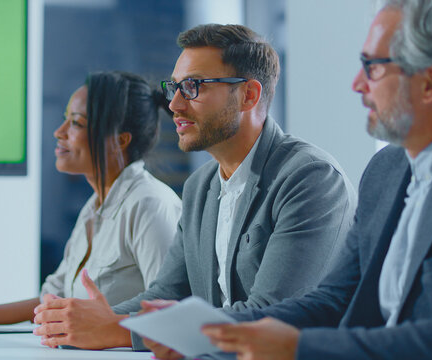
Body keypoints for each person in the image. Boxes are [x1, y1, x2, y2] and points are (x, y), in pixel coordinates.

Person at [201, 1, 432, 359]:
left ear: (431, 83)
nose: (357, 85)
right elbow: (335, 299)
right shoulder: (386, 170)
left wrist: (299, 348)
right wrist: (214, 334)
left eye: (372, 68)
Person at [32, 24, 356, 351]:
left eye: (192, 86)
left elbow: (270, 317)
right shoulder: (200, 187)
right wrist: (84, 322)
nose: (174, 104)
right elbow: (164, 295)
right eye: (175, 87)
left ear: (249, 95)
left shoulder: (311, 178)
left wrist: (117, 329)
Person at [0, 71, 181, 326]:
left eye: (76, 123)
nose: (59, 131)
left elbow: (168, 312)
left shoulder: (150, 206)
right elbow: (52, 299)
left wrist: (105, 325)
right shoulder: (93, 208)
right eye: (66, 119)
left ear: (119, 140)